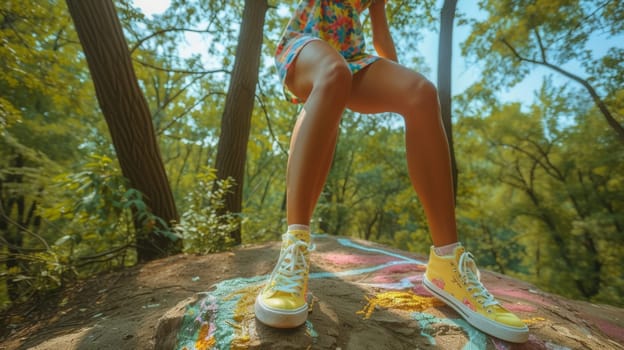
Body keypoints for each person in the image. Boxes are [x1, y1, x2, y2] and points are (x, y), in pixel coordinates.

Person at [253, 0, 529, 344]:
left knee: (420, 93)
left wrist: (395, 86)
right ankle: (294, 251)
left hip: (352, 56)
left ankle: (447, 265)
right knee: (332, 73)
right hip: (305, 47)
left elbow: (381, 36)